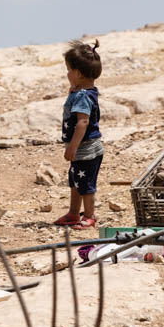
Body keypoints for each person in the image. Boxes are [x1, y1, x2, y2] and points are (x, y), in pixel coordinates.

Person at [53, 39, 104, 229]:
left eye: (69, 70)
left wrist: (73, 146)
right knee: (75, 181)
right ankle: (74, 213)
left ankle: (89, 215)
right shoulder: (84, 92)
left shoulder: (83, 96)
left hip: (85, 149)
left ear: (79, 73)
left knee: (86, 184)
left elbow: (82, 122)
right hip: (82, 148)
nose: (67, 74)